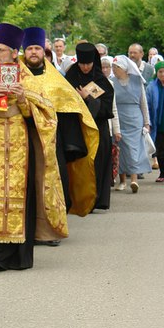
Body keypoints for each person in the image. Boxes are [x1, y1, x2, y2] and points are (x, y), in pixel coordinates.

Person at [0, 23, 67, 272]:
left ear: (14, 52)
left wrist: (24, 100)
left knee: (21, 198)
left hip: (22, 150)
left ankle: (17, 257)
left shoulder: (28, 80)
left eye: (1, 50)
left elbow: (46, 118)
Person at [21, 27, 99, 235]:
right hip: (22, 140)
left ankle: (53, 228)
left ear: (43, 51)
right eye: (30, 49)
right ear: (24, 52)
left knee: (55, 184)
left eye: (37, 48)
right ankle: (27, 228)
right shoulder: (15, 77)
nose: (34, 52)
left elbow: (71, 106)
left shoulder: (56, 80)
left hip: (52, 142)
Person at [65, 43, 114, 211]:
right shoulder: (70, 77)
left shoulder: (101, 81)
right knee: (78, 164)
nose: (85, 67)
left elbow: (107, 108)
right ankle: (77, 199)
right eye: (82, 64)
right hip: (77, 129)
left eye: (88, 64)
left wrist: (88, 98)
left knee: (97, 164)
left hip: (98, 129)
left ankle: (95, 199)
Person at [111, 55, 152, 193]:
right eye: (113, 67)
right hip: (118, 118)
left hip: (135, 119)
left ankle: (134, 179)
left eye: (116, 67)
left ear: (124, 68)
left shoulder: (137, 80)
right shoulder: (111, 82)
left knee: (134, 149)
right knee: (120, 150)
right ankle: (122, 180)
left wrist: (147, 122)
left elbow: (143, 103)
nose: (114, 70)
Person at [101, 55, 121, 184]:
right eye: (102, 67)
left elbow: (114, 108)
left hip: (108, 126)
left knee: (109, 153)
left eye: (107, 67)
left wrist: (116, 130)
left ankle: (109, 177)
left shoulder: (111, 84)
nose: (104, 70)